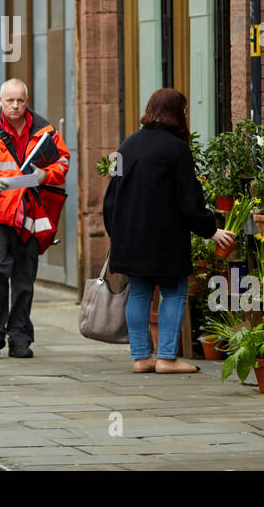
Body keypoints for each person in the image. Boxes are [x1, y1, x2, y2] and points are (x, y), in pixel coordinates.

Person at [101, 88, 236, 373]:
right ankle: (166, 357)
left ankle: (140, 358)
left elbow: (111, 198)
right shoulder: (177, 149)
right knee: (174, 292)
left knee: (139, 292)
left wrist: (118, 234)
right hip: (166, 239)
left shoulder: (127, 145)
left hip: (130, 237)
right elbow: (189, 200)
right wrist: (211, 231)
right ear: (177, 114)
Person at [0, 78, 70, 359]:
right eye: (9, 101)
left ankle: (20, 337)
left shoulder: (45, 131)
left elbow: (63, 161)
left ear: (26, 100)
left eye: (20, 100)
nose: (15, 106)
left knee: (25, 276)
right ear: (0, 101)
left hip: (29, 212)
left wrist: (44, 175)